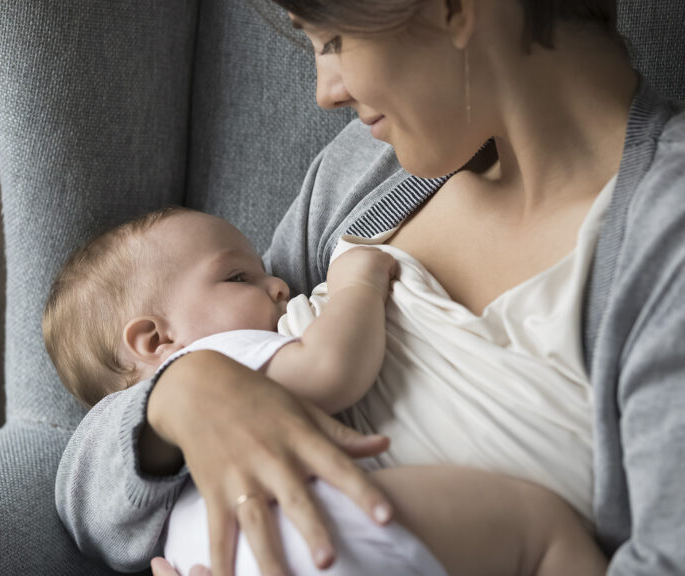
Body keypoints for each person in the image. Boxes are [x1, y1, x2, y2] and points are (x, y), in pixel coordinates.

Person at [56, 1, 685, 575]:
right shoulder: (365, 173)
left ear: (454, 8)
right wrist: (178, 399)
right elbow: (92, 510)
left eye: (331, 41)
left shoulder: (664, 236)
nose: (325, 93)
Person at [46, 206, 606, 575]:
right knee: (540, 525)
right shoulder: (216, 360)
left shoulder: (160, 488)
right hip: (334, 537)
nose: (279, 283)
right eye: (237, 278)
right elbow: (333, 371)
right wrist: (357, 284)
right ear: (156, 339)